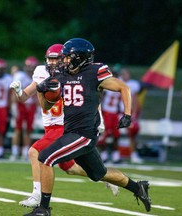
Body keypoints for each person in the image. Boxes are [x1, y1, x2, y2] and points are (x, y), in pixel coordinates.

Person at [24, 38, 151, 216]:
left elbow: (124, 88)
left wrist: (127, 114)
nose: (63, 61)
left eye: (67, 57)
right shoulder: (62, 74)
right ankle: (138, 187)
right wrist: (42, 91)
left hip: (84, 134)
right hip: (72, 132)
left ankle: (43, 208)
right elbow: (46, 106)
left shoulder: (94, 72)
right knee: (100, 174)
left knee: (45, 158)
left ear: (79, 58)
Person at [11, 44, 119, 208]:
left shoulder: (73, 75)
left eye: (57, 59)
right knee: (70, 168)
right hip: (50, 126)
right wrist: (18, 91)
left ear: (65, 59)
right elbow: (25, 97)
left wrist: (100, 118)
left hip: (64, 125)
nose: (53, 63)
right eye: (51, 59)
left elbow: (90, 100)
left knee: (35, 151)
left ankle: (37, 194)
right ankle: (107, 177)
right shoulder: (41, 73)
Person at [10, 56, 39, 160]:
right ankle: (14, 152)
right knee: (18, 129)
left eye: (32, 67)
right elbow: (14, 91)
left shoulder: (38, 77)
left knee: (28, 130)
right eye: (29, 66)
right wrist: (13, 105)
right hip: (20, 104)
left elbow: (38, 94)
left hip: (31, 105)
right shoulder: (20, 76)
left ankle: (24, 152)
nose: (30, 69)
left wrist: (39, 108)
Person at [119, 68, 143, 164]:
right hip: (117, 111)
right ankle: (113, 155)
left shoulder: (133, 84)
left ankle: (133, 154)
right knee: (113, 134)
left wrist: (134, 113)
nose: (125, 76)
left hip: (129, 112)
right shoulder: (117, 82)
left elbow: (135, 100)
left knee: (132, 132)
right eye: (123, 74)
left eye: (126, 74)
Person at [98, 88, 122, 163]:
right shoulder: (106, 87)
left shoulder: (119, 86)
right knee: (104, 134)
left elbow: (119, 102)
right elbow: (101, 98)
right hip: (106, 112)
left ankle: (116, 155)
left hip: (115, 113)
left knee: (116, 135)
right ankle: (104, 154)